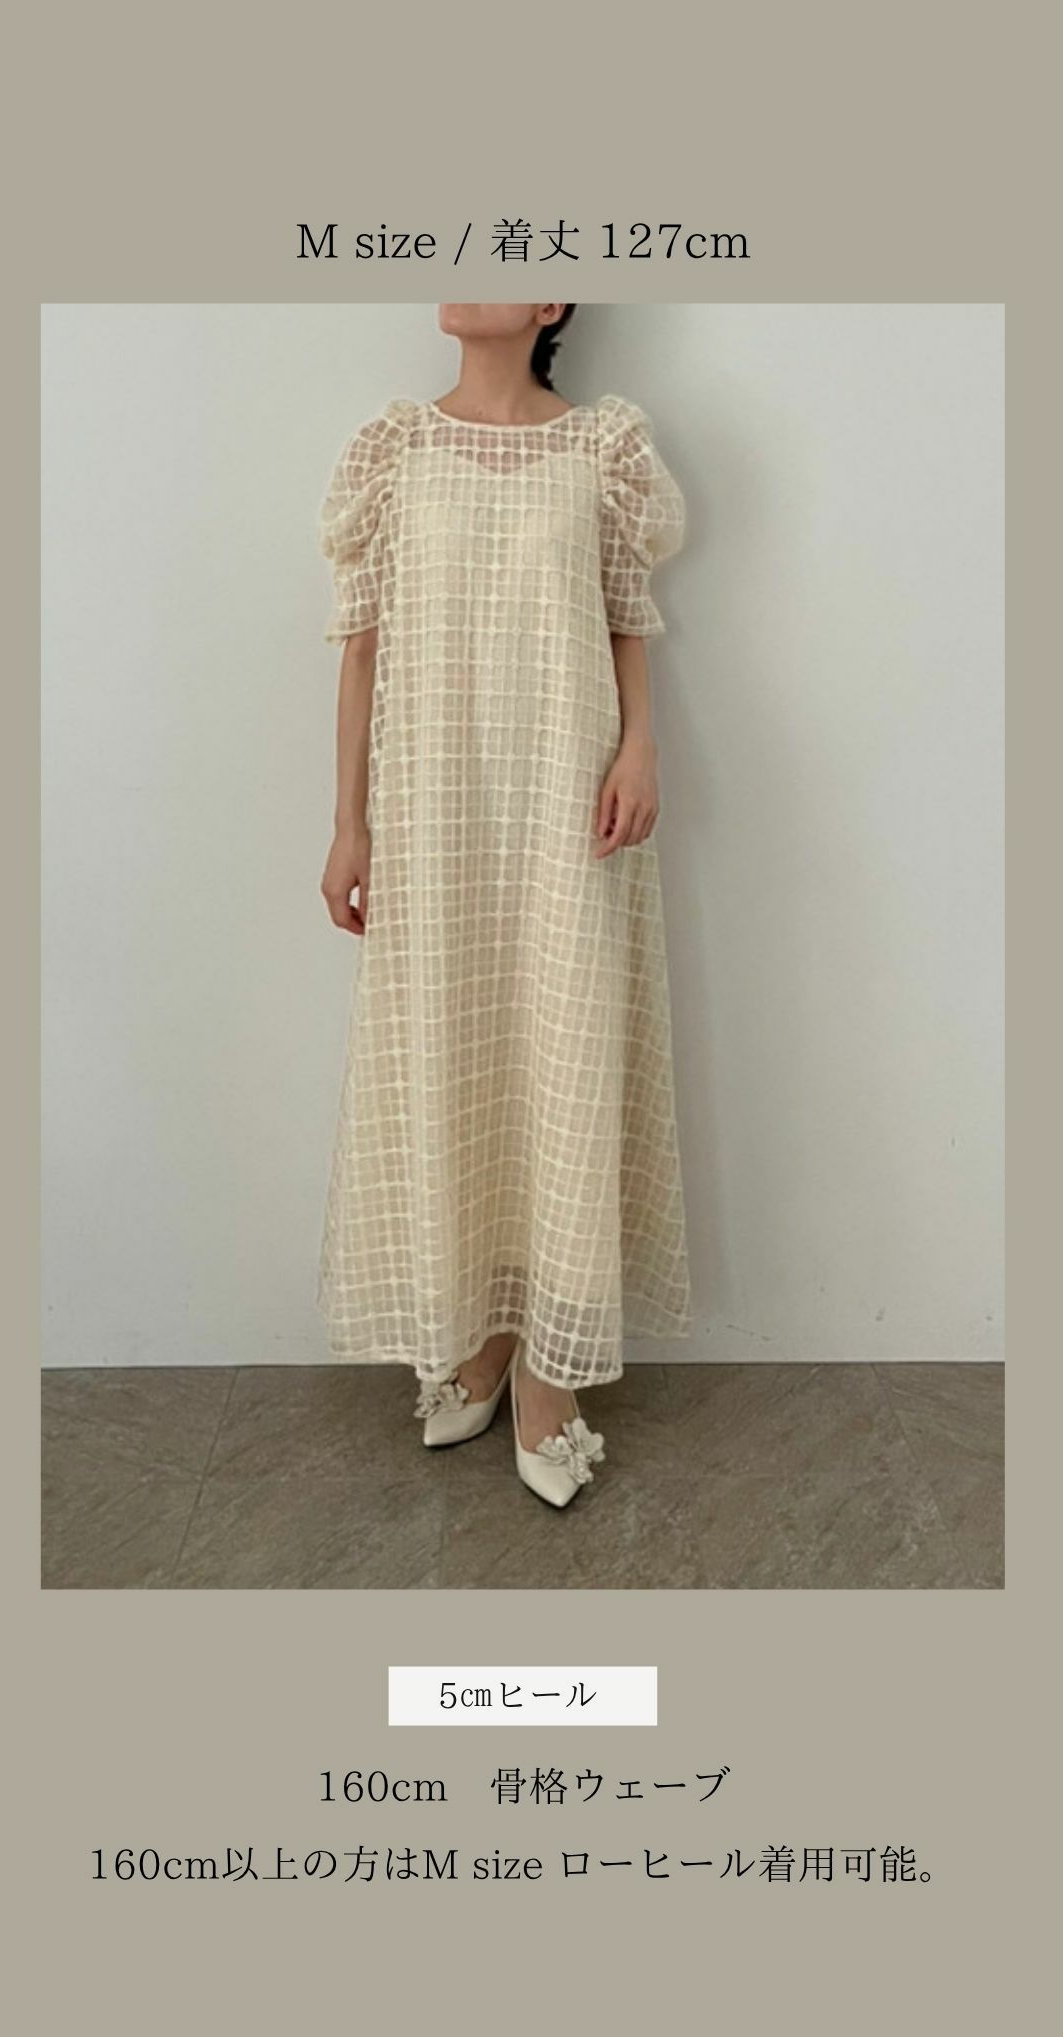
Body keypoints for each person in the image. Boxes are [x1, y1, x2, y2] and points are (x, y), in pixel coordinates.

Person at [316, 302, 690, 1509]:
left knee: (563, 1057)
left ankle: (550, 1368)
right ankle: (474, 1330)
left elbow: (628, 617)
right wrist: (350, 822)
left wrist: (640, 747)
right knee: (455, 1058)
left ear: (551, 301)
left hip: (565, 802)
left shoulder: (603, 450)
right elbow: (361, 645)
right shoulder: (394, 449)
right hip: (433, 811)